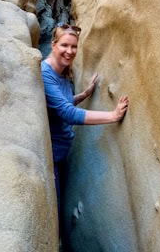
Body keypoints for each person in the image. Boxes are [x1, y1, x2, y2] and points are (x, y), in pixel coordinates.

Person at [41, 22, 129, 238]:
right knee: (54, 224)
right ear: (53, 45)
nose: (69, 51)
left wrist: (84, 94)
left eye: (74, 47)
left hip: (61, 156)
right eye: (64, 45)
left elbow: (62, 102)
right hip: (50, 160)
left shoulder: (61, 72)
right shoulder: (45, 74)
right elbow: (67, 113)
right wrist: (113, 116)